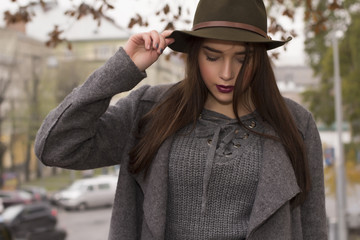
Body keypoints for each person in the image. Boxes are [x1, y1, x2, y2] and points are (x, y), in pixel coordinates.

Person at [35, 0, 327, 239]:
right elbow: (56, 145)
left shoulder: (296, 124)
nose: (227, 73)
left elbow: (313, 226)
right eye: (213, 57)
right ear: (195, 55)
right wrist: (122, 69)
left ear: (260, 60)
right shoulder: (149, 110)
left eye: (242, 58)